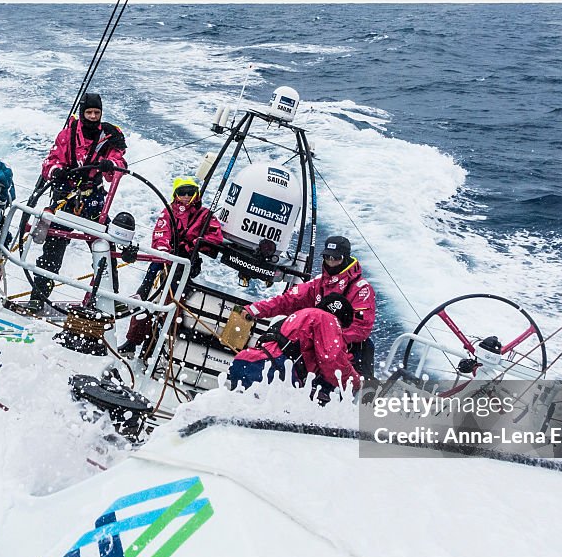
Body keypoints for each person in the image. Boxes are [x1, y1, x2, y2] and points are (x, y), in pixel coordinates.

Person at [30, 92, 127, 305]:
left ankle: (107, 301)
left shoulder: (109, 137)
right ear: (82, 113)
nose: (93, 116)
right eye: (89, 112)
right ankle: (38, 300)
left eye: (97, 112)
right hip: (66, 200)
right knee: (51, 254)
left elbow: (119, 165)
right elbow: (51, 161)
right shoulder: (67, 135)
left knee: (105, 249)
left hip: (93, 204)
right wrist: (55, 171)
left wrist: (110, 165)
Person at [243, 235, 377, 378]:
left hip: (344, 347)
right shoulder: (318, 283)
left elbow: (361, 328)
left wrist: (327, 337)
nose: (331, 262)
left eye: (336, 258)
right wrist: (254, 309)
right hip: (316, 344)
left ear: (346, 258)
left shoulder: (361, 289)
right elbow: (289, 300)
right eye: (327, 257)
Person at [117, 176, 223, 355]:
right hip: (162, 261)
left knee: (172, 304)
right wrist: (164, 252)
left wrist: (194, 245)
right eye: (182, 192)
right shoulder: (168, 212)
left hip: (185, 264)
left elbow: (215, 239)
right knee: (144, 297)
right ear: (176, 194)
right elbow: (160, 234)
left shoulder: (206, 216)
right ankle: (132, 341)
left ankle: (158, 348)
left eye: (190, 192)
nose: (186, 196)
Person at [228, 294, 361, 395]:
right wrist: (355, 383)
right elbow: (332, 361)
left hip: (246, 362)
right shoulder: (328, 319)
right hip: (271, 372)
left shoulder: (299, 315)